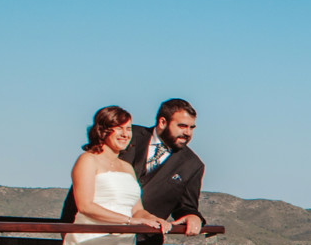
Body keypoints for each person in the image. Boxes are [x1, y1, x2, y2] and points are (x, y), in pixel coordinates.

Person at [59, 97, 207, 236]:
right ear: (162, 122)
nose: (187, 132)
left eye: (191, 127)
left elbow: (186, 206)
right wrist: (67, 228)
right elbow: (84, 194)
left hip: (143, 241)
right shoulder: (126, 136)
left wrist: (193, 217)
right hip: (86, 232)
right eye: (182, 126)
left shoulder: (193, 165)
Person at [64, 106, 170, 245]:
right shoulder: (88, 160)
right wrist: (128, 221)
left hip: (123, 243)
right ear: (103, 130)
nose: (125, 134)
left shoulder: (127, 167)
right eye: (119, 128)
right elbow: (85, 206)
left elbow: (137, 210)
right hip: (89, 242)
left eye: (128, 129)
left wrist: (152, 219)